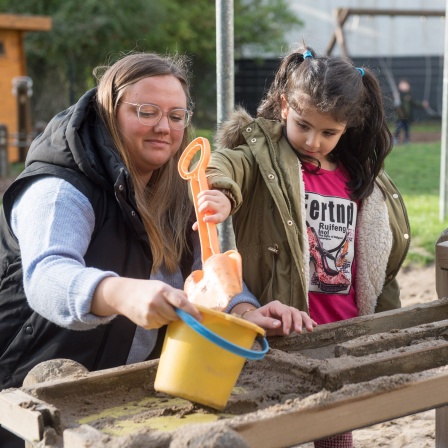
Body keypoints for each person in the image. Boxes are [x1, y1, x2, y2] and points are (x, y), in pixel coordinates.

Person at [0, 51, 314, 447]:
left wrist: (247, 313)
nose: (163, 128)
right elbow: (46, 277)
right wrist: (121, 293)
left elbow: (209, 275)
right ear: (110, 110)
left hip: (132, 393)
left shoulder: (182, 188)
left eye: (176, 116)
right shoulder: (61, 185)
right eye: (146, 112)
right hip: (26, 392)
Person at [203, 46, 410, 448]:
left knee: (335, 428)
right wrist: (224, 194)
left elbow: (375, 253)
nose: (314, 141)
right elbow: (227, 163)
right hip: (283, 327)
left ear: (348, 126)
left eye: (329, 132)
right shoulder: (265, 158)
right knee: (272, 425)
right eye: (304, 126)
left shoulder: (356, 176)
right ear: (284, 106)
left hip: (342, 328)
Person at [394, 78, 429, 145]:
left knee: (407, 129)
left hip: (407, 116)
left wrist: (422, 104)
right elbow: (396, 105)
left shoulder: (409, 95)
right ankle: (395, 139)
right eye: (403, 85)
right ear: (400, 86)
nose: (405, 86)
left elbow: (414, 103)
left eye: (406, 85)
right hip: (400, 116)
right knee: (398, 128)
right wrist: (396, 98)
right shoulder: (398, 95)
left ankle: (407, 140)